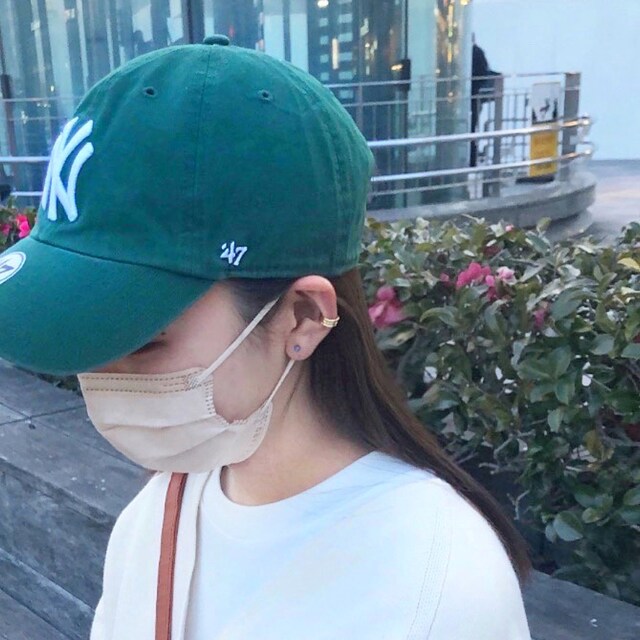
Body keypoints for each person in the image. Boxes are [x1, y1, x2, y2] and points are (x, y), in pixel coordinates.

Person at [0, 35, 533, 639]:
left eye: (144, 340)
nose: (100, 373)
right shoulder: (161, 511)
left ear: (303, 318)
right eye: (82, 334)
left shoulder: (434, 588)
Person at [471, 34, 501, 167]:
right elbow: (483, 73)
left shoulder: (474, 52)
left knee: (471, 128)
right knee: (472, 128)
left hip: (472, 96)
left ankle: (472, 157)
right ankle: (472, 157)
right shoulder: (477, 52)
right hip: (474, 96)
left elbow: (482, 73)